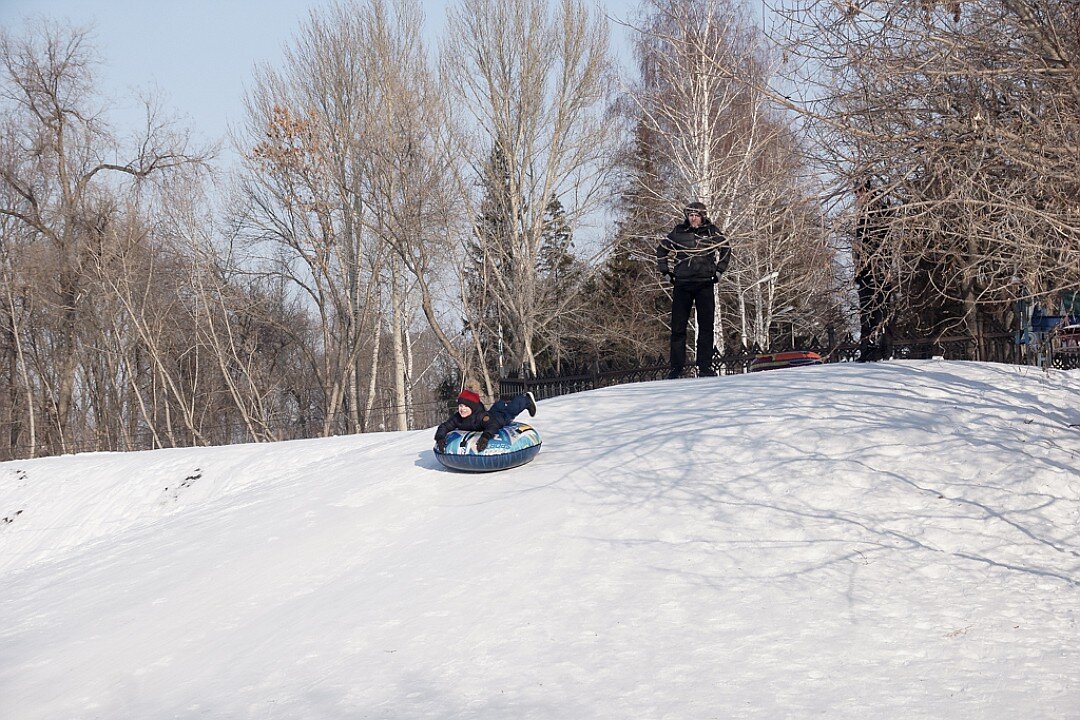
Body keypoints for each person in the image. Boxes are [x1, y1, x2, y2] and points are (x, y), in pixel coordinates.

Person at [656, 200, 731, 378]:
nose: (693, 218)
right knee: (678, 328)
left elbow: (726, 248)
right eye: (690, 215)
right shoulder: (678, 232)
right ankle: (676, 368)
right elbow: (661, 251)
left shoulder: (711, 232)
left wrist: (719, 272)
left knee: (706, 326)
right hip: (682, 283)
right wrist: (666, 273)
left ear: (703, 216)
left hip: (705, 282)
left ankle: (704, 366)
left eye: (696, 215)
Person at [853, 180, 895, 362]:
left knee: (879, 312)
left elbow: (879, 242)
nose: (857, 196)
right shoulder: (862, 213)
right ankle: (868, 350)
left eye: (860, 191)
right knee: (868, 313)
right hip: (866, 273)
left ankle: (881, 349)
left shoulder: (877, 211)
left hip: (877, 272)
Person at [434, 389, 537, 453]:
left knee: (511, 410)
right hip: (491, 413)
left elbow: (492, 425)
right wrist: (440, 438)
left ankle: (526, 399)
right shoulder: (458, 418)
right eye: (460, 406)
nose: (462, 409)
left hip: (499, 418)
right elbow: (445, 426)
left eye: (466, 406)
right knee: (497, 408)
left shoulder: (480, 416)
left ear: (473, 407)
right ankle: (501, 404)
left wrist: (485, 437)